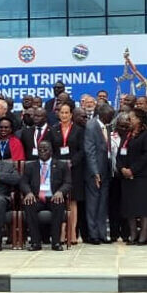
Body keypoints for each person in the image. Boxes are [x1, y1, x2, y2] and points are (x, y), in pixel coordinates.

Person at [21, 140, 70, 251]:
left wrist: (60, 192)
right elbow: (23, 182)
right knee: (29, 204)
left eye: (45, 149)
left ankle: (56, 242)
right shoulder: (30, 166)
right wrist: (28, 192)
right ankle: (35, 242)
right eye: (40, 149)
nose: (42, 151)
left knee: (59, 203)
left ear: (51, 151)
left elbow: (68, 183)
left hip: (53, 197)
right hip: (36, 197)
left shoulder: (61, 165)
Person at [116, 114, 147, 245]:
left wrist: (133, 170)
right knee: (129, 206)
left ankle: (143, 234)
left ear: (140, 119)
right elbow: (119, 154)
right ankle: (133, 233)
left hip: (141, 176)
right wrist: (122, 169)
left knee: (142, 206)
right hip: (126, 176)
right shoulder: (127, 134)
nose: (129, 120)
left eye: (132, 118)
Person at [49, 104, 85, 244]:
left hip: (74, 169)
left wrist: (72, 162)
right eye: (61, 112)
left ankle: (72, 232)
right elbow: (50, 149)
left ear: (71, 115)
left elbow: (82, 150)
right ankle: (62, 232)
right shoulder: (53, 130)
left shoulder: (79, 130)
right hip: (58, 170)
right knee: (60, 200)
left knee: (73, 201)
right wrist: (59, 163)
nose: (64, 115)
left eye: (66, 113)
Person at [82, 105, 114, 244]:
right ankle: (93, 234)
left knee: (103, 203)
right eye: (110, 115)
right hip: (94, 171)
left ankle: (102, 234)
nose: (112, 117)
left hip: (107, 169)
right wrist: (95, 172)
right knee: (93, 203)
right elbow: (90, 151)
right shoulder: (91, 126)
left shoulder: (107, 126)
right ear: (102, 114)